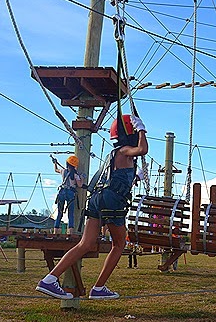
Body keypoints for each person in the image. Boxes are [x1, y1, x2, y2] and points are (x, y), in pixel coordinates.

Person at [36, 113, 148, 300]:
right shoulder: (124, 151)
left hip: (98, 198)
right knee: (119, 244)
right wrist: (142, 130)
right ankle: (99, 287)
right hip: (112, 201)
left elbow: (115, 180)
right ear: (131, 133)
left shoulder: (112, 155)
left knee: (85, 244)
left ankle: (49, 279)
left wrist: (136, 177)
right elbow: (142, 149)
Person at [52, 155, 83, 233]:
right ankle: (71, 232)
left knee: (60, 213)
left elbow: (56, 170)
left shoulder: (63, 171)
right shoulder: (76, 175)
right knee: (70, 214)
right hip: (70, 193)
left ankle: (55, 231)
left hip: (62, 192)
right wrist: (82, 178)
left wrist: (55, 163)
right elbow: (80, 185)